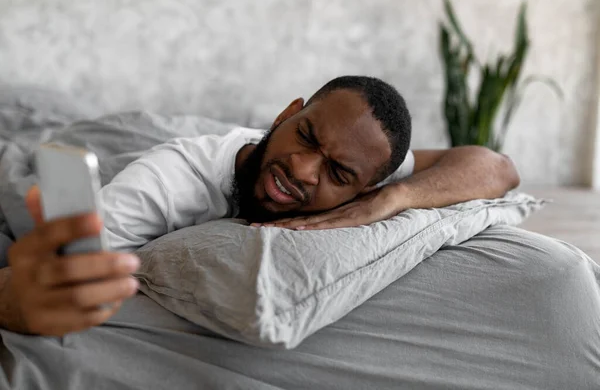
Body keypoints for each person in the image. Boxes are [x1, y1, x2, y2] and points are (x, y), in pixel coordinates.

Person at [1, 76, 520, 336]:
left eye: (336, 173)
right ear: (288, 113)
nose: (301, 168)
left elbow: (496, 167)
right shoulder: (169, 179)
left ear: (364, 185)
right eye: (305, 135)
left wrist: (392, 201)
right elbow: (52, 278)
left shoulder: (368, 164)